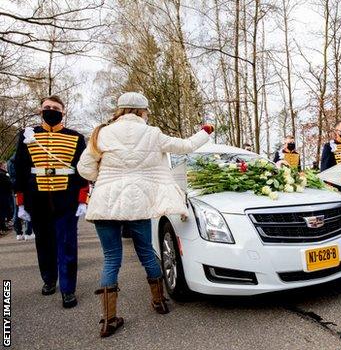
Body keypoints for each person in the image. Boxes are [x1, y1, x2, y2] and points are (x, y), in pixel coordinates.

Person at [77, 92, 214, 337]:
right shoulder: (152, 134)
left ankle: (108, 320)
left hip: (105, 204)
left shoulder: (101, 133)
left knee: (110, 259)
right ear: (142, 111)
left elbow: (84, 168)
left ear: (120, 110)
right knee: (147, 254)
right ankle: (159, 301)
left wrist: (106, 178)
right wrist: (206, 130)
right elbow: (186, 146)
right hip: (137, 204)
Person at [13, 95, 89, 308]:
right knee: (44, 243)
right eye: (47, 107)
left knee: (67, 244)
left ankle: (68, 289)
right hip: (37, 197)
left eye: (55, 108)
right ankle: (49, 279)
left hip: (66, 198)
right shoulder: (28, 135)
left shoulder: (75, 137)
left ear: (63, 112)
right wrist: (20, 202)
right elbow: (19, 168)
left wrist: (83, 198)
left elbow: (82, 170)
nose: (51, 110)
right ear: (40, 110)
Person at [7, 155, 33, 240]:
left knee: (17, 210)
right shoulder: (23, 160)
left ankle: (18, 233)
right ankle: (28, 233)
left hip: (15, 189)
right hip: (25, 188)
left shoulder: (9, 162)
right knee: (28, 210)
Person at [0, 161, 12, 232]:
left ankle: (3, 227)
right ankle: (3, 227)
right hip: (4, 195)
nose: (5, 167)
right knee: (3, 212)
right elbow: (9, 184)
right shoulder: (3, 174)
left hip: (3, 195)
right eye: (4, 166)